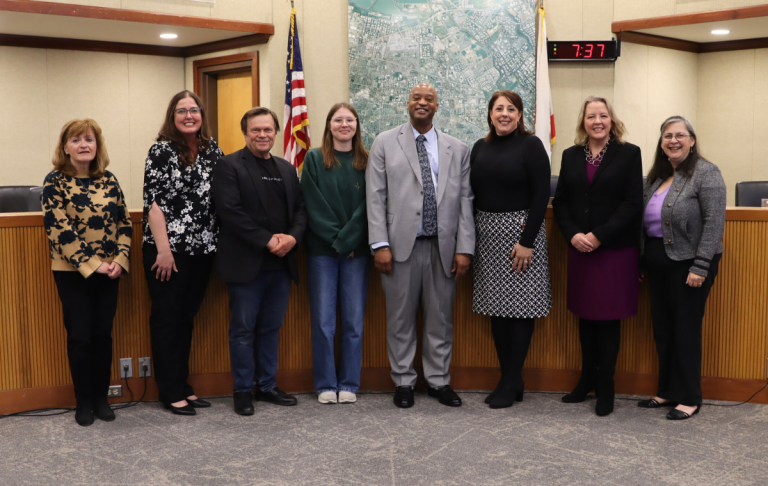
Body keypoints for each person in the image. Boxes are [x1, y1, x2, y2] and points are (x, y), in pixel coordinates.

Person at [366, 83, 475, 408]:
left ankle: (439, 381)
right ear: (408, 103)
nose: (422, 103)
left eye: (429, 99)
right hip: (400, 247)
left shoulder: (458, 149)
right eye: (417, 98)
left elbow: (465, 200)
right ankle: (403, 381)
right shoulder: (385, 142)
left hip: (443, 248)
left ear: (437, 106)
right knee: (400, 319)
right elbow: (375, 196)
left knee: (440, 319)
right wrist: (379, 244)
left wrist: (464, 248)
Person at [552, 96, 643, 416]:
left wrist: (598, 236)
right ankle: (586, 380)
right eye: (591, 116)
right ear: (583, 122)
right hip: (580, 248)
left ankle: (606, 387)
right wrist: (573, 234)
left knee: (607, 320)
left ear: (611, 120)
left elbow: (633, 203)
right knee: (586, 316)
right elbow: (560, 202)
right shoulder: (570, 155)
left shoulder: (629, 153)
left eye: (603, 116)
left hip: (614, 249)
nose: (597, 121)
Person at [213, 107, 307, 416]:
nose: (262, 135)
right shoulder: (228, 165)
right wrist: (268, 240)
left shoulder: (287, 168)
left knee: (270, 328)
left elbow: (300, 210)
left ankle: (267, 385)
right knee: (243, 330)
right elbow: (230, 212)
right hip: (246, 265)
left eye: (268, 129)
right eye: (256, 130)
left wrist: (292, 238)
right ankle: (242, 389)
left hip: (281, 265)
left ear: (276, 132)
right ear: (245, 133)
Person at [42, 119, 132, 426]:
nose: (84, 145)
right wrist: (93, 264)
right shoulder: (54, 181)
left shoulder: (109, 180)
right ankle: (83, 401)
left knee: (102, 335)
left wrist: (120, 260)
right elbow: (58, 229)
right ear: (65, 147)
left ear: (97, 145)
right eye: (76, 140)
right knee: (80, 337)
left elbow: (124, 223)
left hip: (110, 271)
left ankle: (101, 399)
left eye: (89, 139)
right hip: (72, 272)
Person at [638, 116, 726, 420]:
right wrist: (641, 260)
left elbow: (714, 223)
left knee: (685, 330)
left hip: (690, 264)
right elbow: (643, 222)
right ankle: (667, 391)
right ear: (661, 142)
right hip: (658, 262)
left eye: (680, 135)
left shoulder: (706, 172)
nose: (673, 141)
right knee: (663, 329)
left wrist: (701, 266)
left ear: (692, 140)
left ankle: (689, 397)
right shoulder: (656, 176)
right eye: (667, 136)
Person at [142, 90, 223, 416]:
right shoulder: (161, 151)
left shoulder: (211, 149)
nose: (189, 115)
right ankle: (170, 390)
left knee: (186, 318)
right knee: (167, 319)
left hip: (203, 249)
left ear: (202, 114)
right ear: (172, 116)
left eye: (194, 110)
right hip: (168, 250)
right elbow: (153, 204)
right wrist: (163, 250)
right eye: (181, 110)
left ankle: (183, 385)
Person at [470, 90, 552, 409]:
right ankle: (510, 379)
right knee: (497, 310)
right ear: (490, 114)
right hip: (488, 237)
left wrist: (527, 241)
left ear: (519, 115)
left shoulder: (531, 145)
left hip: (520, 238)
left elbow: (541, 194)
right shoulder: (480, 147)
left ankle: (511, 379)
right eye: (498, 108)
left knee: (520, 309)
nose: (504, 113)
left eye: (511, 109)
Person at [301, 103, 369, 404]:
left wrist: (349, 241)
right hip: (322, 251)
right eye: (338, 119)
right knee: (323, 321)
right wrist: (338, 241)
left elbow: (370, 206)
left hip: (357, 251)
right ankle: (326, 383)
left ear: (357, 125)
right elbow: (312, 203)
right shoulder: (314, 158)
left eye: (349, 120)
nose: (344, 124)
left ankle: (350, 383)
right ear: (329, 124)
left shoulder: (368, 160)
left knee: (353, 321)